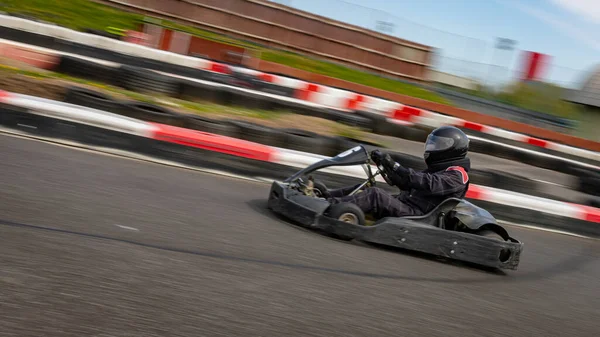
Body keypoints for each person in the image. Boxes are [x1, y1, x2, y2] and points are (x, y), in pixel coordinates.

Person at [323, 125, 471, 219]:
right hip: (408, 204)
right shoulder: (440, 169)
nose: (433, 148)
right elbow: (410, 184)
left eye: (438, 145)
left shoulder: (458, 175)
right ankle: (324, 196)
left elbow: (428, 183)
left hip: (418, 214)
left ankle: (328, 207)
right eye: (433, 144)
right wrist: (388, 168)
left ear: (452, 149)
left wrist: (397, 167)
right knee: (367, 187)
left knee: (376, 195)